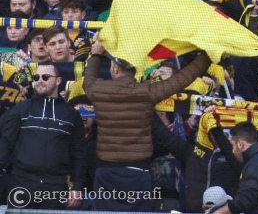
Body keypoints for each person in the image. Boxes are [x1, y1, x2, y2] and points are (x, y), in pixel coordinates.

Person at [84, 40, 210, 211]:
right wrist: (208, 55)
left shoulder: (98, 89)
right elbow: (183, 78)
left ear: (115, 69)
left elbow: (88, 81)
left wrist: (96, 55)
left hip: (106, 174)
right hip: (137, 173)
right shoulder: (147, 91)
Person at [0, 61, 85, 208]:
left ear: (58, 80)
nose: (39, 81)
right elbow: (6, 143)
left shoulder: (72, 115)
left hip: (56, 186)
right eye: (36, 77)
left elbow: (79, 154)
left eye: (45, 77)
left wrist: (77, 187)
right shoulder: (21, 109)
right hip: (21, 183)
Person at [209, 122, 258, 214]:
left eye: (233, 146)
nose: (232, 151)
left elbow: (246, 199)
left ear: (240, 144)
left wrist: (218, 213)